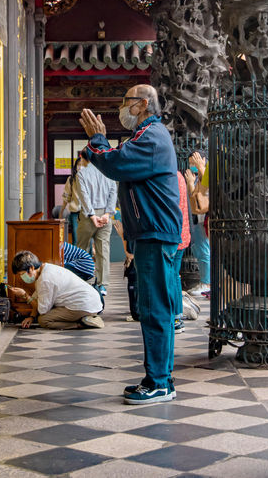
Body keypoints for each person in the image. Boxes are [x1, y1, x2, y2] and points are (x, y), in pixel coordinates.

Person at [80, 83, 182, 405]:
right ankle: (162, 377)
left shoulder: (150, 135)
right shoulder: (149, 135)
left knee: (154, 310)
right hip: (153, 231)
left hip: (154, 232)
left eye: (126, 102)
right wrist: (99, 148)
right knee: (157, 308)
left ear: (141, 105)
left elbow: (116, 163)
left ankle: (159, 382)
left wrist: (97, 141)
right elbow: (116, 161)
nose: (122, 108)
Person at [10, 250, 103, 330]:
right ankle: (85, 318)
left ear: (31, 268)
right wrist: (31, 316)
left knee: (43, 320)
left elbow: (42, 310)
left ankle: (82, 323)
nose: (21, 277)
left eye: (22, 274)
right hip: (91, 301)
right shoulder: (45, 269)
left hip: (84, 305)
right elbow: (38, 298)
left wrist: (25, 296)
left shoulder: (45, 280)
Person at [75, 155, 117, 302]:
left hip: (88, 216)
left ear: (84, 158)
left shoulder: (82, 174)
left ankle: (81, 282)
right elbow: (113, 192)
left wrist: (92, 216)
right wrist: (107, 213)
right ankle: (102, 285)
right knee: (103, 250)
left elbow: (84, 196)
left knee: (81, 249)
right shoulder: (109, 172)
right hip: (105, 216)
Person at [185, 151, 211, 296]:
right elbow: (194, 199)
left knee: (204, 251)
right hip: (197, 219)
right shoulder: (195, 178)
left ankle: (207, 282)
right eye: (191, 163)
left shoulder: (205, 173)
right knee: (200, 250)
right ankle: (204, 281)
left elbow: (206, 192)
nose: (193, 165)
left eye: (195, 161)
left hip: (205, 218)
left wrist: (202, 169)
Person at [173, 170, 191, 334]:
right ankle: (177, 315)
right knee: (175, 276)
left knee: (171, 276)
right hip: (182, 234)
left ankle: (175, 317)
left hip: (173, 236)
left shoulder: (170, 176)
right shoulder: (178, 176)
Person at [62, 155, 83, 244]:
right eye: (79, 165)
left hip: (88, 212)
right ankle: (76, 257)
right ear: (75, 166)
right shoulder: (71, 179)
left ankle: (88, 257)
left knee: (88, 237)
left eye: (83, 165)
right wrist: (61, 211)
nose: (81, 167)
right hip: (75, 211)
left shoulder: (91, 179)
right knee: (75, 236)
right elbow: (66, 196)